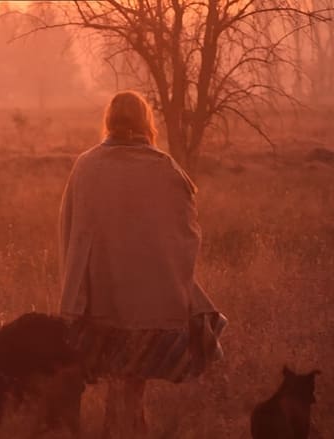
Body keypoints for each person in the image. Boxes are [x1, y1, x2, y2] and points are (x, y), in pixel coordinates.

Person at [58, 90, 227, 438]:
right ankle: (128, 429)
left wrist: (76, 292)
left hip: (99, 300)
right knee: (130, 381)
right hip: (149, 302)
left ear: (109, 121)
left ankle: (121, 429)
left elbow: (69, 231)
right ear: (145, 121)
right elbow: (186, 233)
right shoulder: (165, 167)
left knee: (123, 381)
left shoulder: (86, 166)